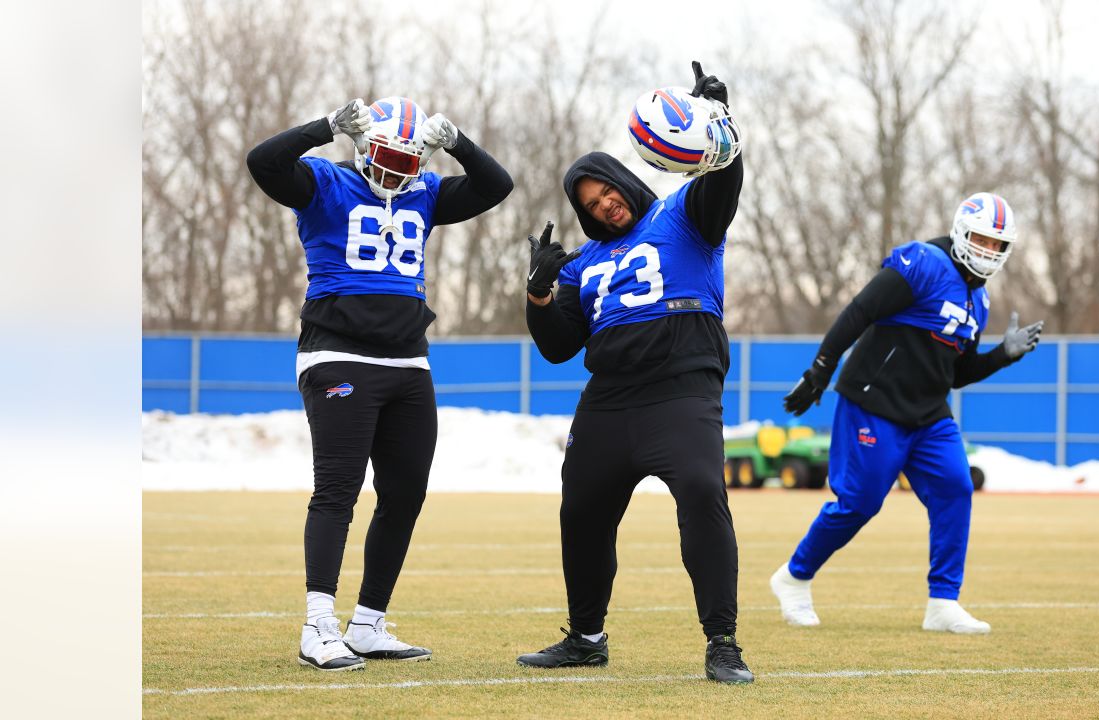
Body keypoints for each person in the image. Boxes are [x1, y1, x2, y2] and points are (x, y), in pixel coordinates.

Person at [246, 96, 512, 670]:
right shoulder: (325, 181)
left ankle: (367, 623)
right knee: (338, 491)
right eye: (386, 157)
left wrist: (459, 142)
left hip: (408, 361)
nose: (397, 171)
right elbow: (262, 162)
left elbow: (497, 185)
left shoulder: (426, 191)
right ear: (363, 147)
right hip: (337, 353)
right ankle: (317, 626)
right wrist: (322, 127)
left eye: (408, 160)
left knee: (406, 493)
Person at [515, 62, 753, 684]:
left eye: (606, 190)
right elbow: (558, 347)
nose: (604, 204)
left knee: (703, 493)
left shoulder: (683, 217)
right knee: (581, 512)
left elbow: (723, 182)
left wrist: (716, 127)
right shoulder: (582, 264)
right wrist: (538, 294)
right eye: (590, 204)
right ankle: (586, 637)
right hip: (610, 400)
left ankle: (722, 641)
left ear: (622, 178)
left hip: (681, 388)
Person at [770, 192, 1044, 635]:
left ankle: (943, 602)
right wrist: (821, 369)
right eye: (981, 239)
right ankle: (793, 577)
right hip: (873, 402)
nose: (988, 251)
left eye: (997, 245)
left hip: (929, 414)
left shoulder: (981, 300)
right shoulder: (924, 263)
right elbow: (859, 311)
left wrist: (1002, 356)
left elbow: (955, 373)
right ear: (960, 231)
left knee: (956, 487)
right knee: (859, 503)